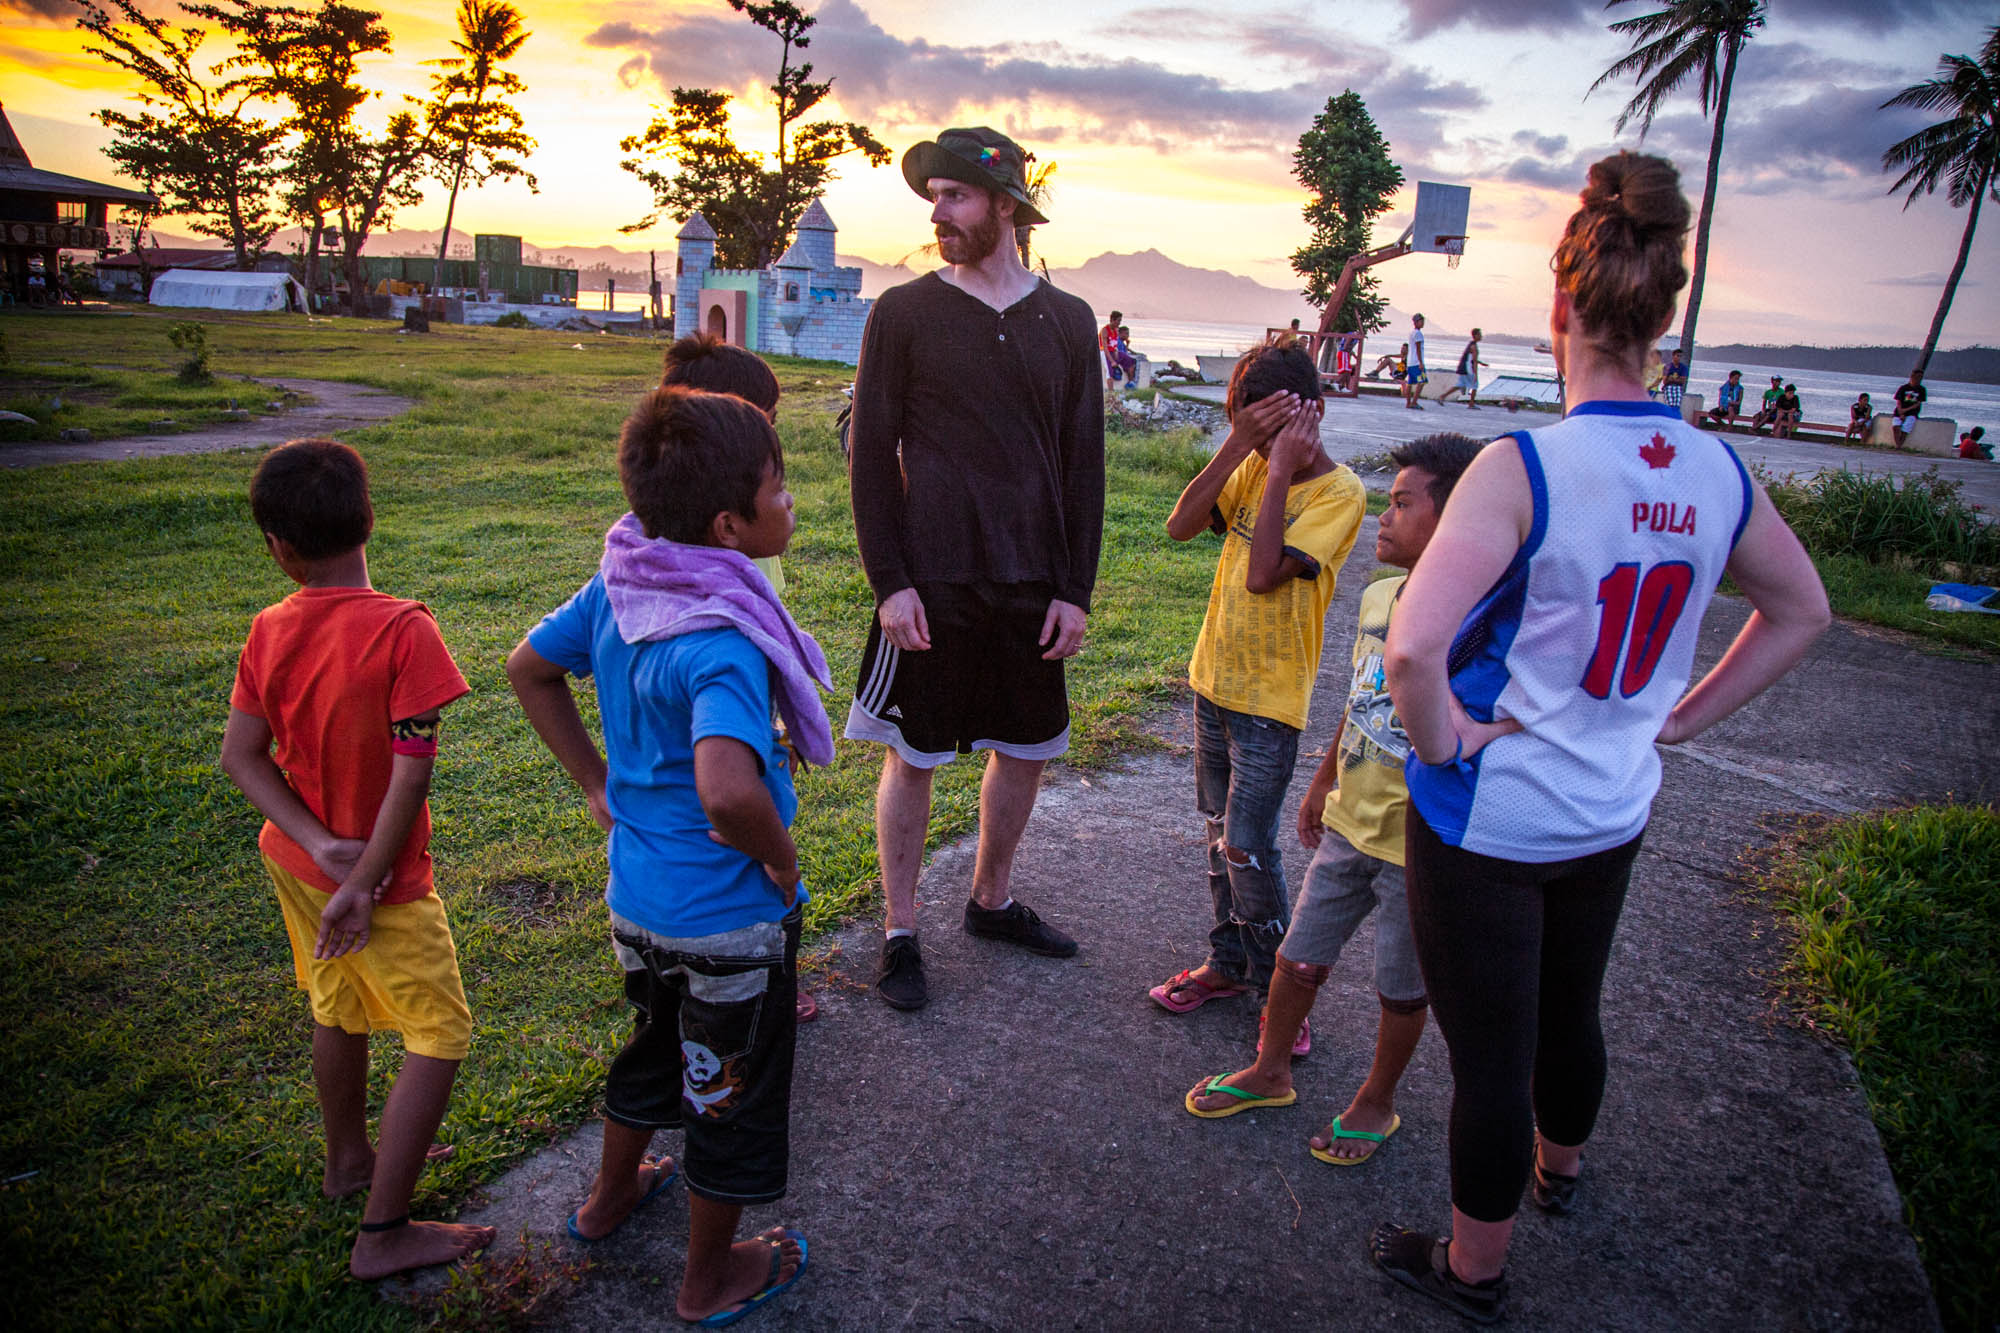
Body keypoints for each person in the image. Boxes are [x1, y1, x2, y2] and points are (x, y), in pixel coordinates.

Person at [1368, 150, 1829, 1323]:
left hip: (1495, 813)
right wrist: (1675, 716)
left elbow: (1412, 649)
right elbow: (1801, 611)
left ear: (1560, 307)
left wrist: (1442, 745)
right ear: (1661, 316)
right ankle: (1557, 1172)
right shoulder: (1716, 469)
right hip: (1612, 803)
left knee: (1488, 1055)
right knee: (1571, 1010)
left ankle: (1471, 1270)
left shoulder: (1522, 466)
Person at [507, 386, 820, 1322]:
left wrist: (597, 783)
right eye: (781, 487)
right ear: (730, 524)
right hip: (727, 919)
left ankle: (607, 1202)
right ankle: (706, 1279)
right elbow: (728, 789)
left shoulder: (619, 583)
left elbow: (529, 665)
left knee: (653, 1047)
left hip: (637, 900)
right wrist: (784, 862)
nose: (793, 502)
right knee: (724, 1094)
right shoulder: (719, 637)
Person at [218, 438, 494, 1281]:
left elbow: (242, 757)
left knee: (335, 1004)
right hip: (385, 883)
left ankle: (349, 1162)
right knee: (440, 1032)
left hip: (299, 865)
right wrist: (366, 877)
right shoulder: (405, 630)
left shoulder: (268, 627)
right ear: (369, 518)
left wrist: (322, 848)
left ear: (279, 548)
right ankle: (382, 1233)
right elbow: (412, 774)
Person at [847, 127, 1104, 1011]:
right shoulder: (905, 312)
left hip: (1032, 578)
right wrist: (891, 581)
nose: (937, 211)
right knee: (913, 754)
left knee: (1025, 748)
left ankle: (990, 900)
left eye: (955, 195)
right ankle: (901, 927)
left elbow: (1084, 464)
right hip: (934, 575)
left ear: (1006, 206)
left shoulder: (1069, 321)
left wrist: (1075, 589)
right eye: (934, 195)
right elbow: (872, 453)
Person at [1182, 433, 1481, 1166]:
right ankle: (1270, 1068)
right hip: (1352, 822)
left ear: (1456, 519)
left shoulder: (1480, 620)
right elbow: (1363, 696)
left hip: (1420, 838)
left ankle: (1377, 1101)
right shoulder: (1381, 596)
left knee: (1400, 986)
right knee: (1297, 957)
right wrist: (1323, 781)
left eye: (1404, 505)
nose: (1385, 516)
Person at [1152, 344, 1364, 1030]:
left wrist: (1273, 470)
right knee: (1218, 835)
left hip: (1269, 704)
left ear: (1315, 416)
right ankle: (1229, 963)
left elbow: (1262, 572)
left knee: (1247, 842)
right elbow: (1180, 525)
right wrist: (1237, 445)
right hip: (1213, 680)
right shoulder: (1247, 461)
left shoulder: (1341, 493)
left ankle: (1282, 996)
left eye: (1276, 431)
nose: (1266, 447)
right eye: (1256, 429)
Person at [656, 330, 819, 1024]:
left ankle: (766, 971)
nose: (774, 439)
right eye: (764, 423)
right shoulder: (698, 550)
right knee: (745, 844)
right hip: (718, 724)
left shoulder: (743, 536)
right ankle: (750, 982)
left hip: (750, 712)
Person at [1438, 328, 1488, 408]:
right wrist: (1476, 374)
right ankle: (1471, 404)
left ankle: (1442, 396)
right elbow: (1474, 361)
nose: (1481, 336)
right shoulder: (1474, 347)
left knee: (1460, 385)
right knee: (1475, 386)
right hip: (1468, 369)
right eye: (1479, 334)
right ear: (1475, 336)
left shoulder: (1471, 344)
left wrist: (1481, 363)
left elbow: (1471, 358)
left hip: (1463, 368)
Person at [1100, 308, 1138, 388]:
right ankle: (1111, 393)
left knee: (1130, 361)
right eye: (1118, 321)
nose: (1119, 323)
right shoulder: (1105, 330)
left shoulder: (1116, 330)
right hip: (1105, 352)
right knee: (1109, 373)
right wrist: (1112, 361)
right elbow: (1105, 348)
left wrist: (1116, 353)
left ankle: (1130, 383)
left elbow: (1114, 345)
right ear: (1112, 320)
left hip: (1113, 351)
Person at [1892, 371, 1927, 447]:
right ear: (1912, 377)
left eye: (1920, 378)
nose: (1918, 380)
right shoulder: (1903, 388)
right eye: (1917, 377)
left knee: (1905, 429)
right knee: (1896, 427)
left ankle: (1899, 445)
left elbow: (1917, 404)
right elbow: (1898, 401)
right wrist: (1901, 412)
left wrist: (1906, 410)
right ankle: (1898, 444)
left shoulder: (1922, 389)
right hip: (1900, 410)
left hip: (1912, 412)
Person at [1403, 313, 1428, 409]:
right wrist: (1421, 363)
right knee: (1422, 382)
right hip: (1417, 363)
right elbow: (1418, 349)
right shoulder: (1418, 334)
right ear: (1416, 322)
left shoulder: (1412, 333)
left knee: (1410, 383)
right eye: (1421, 321)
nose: (1423, 323)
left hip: (1410, 362)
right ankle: (1414, 402)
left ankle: (1408, 402)